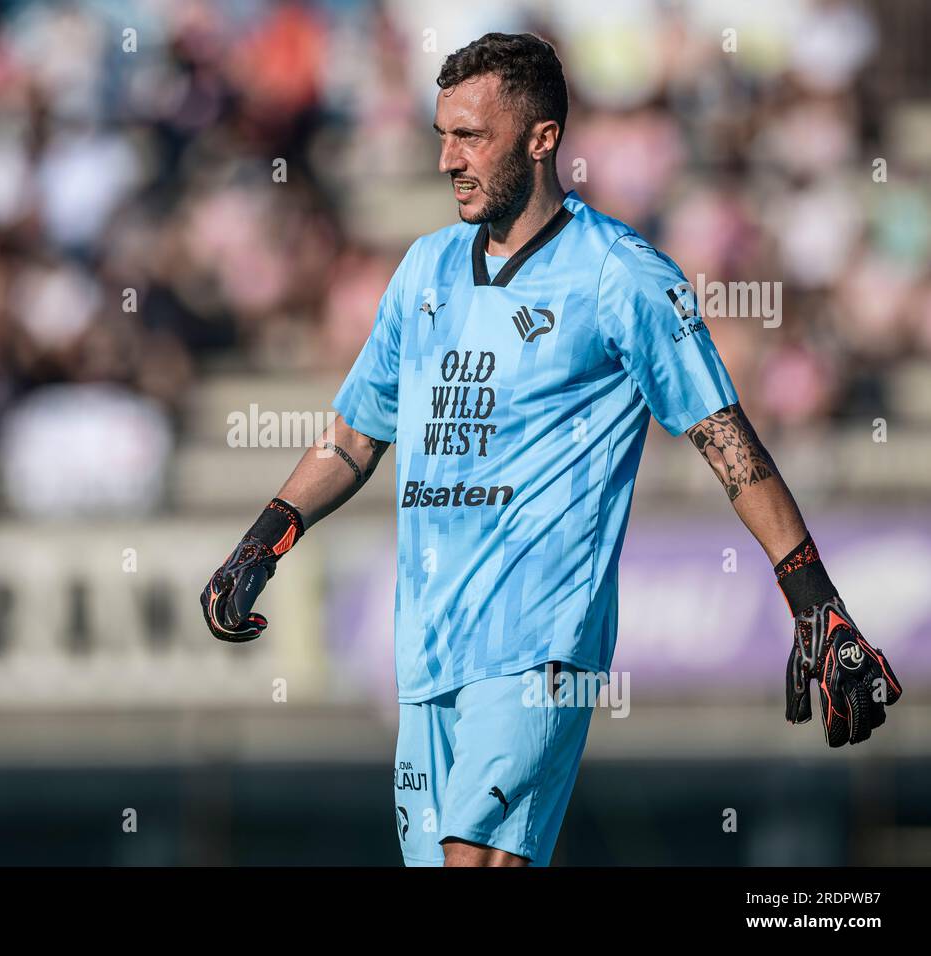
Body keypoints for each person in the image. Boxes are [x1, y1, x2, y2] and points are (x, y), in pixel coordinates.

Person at [200, 32, 901, 867]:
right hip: (426, 650)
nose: (446, 160)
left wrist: (813, 599)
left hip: (542, 645)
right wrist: (264, 539)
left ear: (541, 141)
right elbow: (355, 434)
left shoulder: (622, 276)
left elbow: (727, 441)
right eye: (441, 134)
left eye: (471, 136)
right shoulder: (422, 273)